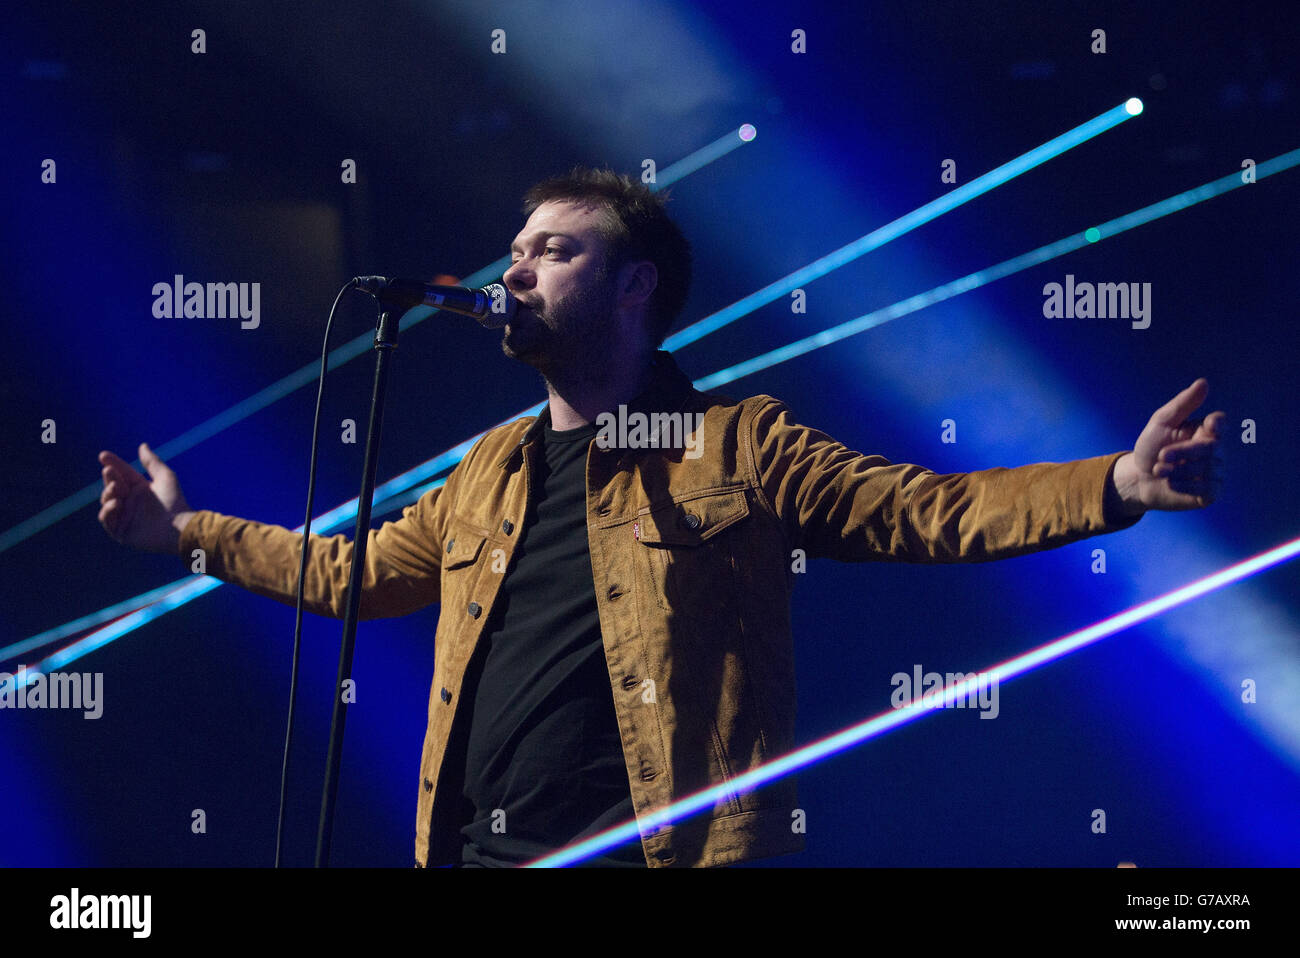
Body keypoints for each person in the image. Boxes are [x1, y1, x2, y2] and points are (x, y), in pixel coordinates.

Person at [98, 167, 1225, 868]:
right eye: (516, 250)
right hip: (484, 852)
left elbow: (921, 508)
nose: (518, 269)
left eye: (554, 249)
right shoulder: (489, 466)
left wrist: (1113, 486)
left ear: (634, 288)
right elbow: (355, 575)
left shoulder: (737, 443)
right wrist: (186, 534)